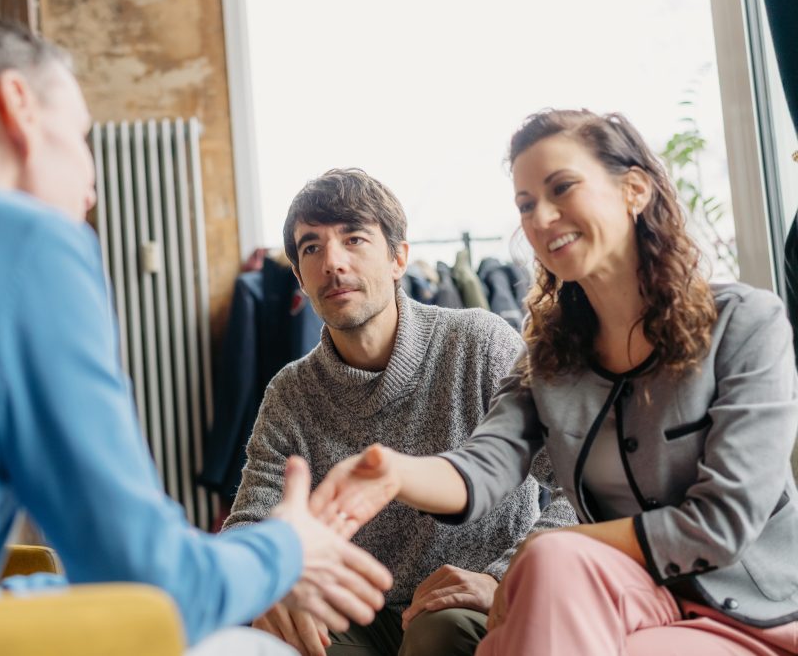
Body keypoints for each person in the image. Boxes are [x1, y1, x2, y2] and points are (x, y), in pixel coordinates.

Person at [0, 10, 393, 654]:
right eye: (81, 137)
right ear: (17, 107)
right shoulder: (25, 240)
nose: (91, 189)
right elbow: (150, 583)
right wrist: (286, 547)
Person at [313, 110, 798, 655]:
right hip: (621, 597)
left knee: (542, 579)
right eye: (525, 204)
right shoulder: (550, 358)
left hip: (747, 609)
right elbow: (481, 467)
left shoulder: (746, 323)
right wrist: (391, 471)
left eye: (561, 188)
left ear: (634, 189)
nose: (541, 217)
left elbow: (723, 523)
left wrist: (554, 547)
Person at [223, 168, 577, 656]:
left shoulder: (479, 343)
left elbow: (576, 489)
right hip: (357, 614)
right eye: (312, 248)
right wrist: (269, 584)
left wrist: (508, 577)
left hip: (465, 604)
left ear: (398, 259)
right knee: (263, 636)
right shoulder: (290, 392)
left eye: (354, 240)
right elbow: (249, 523)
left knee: (439, 631)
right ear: (300, 279)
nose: (333, 263)